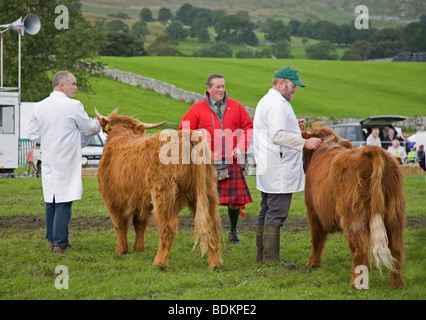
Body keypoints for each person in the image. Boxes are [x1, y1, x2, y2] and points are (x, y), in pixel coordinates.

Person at [253, 67, 321, 268]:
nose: (295, 90)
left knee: (266, 209)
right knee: (277, 212)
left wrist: (294, 125)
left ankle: (262, 255)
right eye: (292, 86)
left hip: (269, 164)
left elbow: (277, 130)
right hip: (279, 166)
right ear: (281, 82)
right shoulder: (277, 105)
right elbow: (277, 135)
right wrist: (304, 143)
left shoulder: (269, 100)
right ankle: (271, 259)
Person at [28, 71, 101, 253]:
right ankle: (60, 243)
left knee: (50, 199)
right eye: (73, 84)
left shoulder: (39, 106)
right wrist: (98, 121)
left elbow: (33, 135)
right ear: (62, 85)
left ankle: (50, 239)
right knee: (64, 200)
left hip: (49, 158)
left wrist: (50, 137)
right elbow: (90, 129)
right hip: (66, 158)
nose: (76, 87)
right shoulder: (73, 106)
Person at [179, 74, 253, 245]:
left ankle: (233, 231)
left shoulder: (236, 107)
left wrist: (241, 147)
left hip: (231, 160)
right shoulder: (197, 108)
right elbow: (183, 130)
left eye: (223, 86)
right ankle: (209, 232)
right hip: (207, 163)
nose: (221, 90)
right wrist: (196, 137)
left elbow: (248, 128)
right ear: (208, 88)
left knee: (235, 200)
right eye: (218, 87)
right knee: (205, 200)